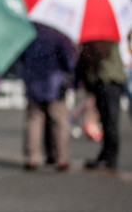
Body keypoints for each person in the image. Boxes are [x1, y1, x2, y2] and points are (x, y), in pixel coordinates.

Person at [18, 23, 76, 171]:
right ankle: (61, 157)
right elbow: (69, 60)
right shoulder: (58, 33)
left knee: (34, 121)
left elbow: (21, 57)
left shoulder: (29, 31)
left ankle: (32, 157)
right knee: (59, 121)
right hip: (54, 83)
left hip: (33, 81)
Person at [77, 40, 126, 172]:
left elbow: (100, 55)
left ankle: (110, 157)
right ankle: (106, 155)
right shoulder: (109, 37)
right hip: (108, 79)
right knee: (106, 120)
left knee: (110, 120)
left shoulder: (104, 40)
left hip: (108, 80)